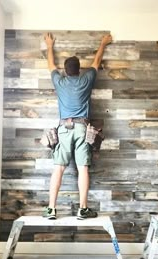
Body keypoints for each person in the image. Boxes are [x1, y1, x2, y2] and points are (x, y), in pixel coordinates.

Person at [43, 32, 112, 220]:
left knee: (58, 168)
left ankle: (51, 209)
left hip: (64, 129)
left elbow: (50, 65)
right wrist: (103, 43)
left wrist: (49, 45)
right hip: (82, 128)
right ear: (79, 69)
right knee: (83, 168)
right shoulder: (86, 79)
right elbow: (97, 61)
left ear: (65, 70)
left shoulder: (60, 81)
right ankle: (83, 209)